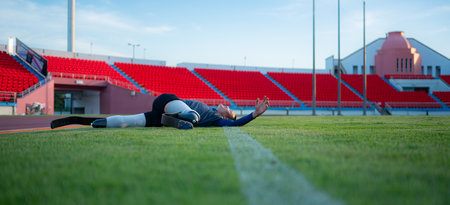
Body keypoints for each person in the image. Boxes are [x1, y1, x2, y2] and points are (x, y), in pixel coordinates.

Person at [51, 93, 270, 129]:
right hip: (167, 104)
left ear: (223, 115)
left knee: (132, 121)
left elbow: (235, 123)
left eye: (228, 109)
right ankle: (176, 120)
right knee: (188, 114)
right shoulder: (211, 112)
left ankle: (97, 123)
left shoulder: (216, 119)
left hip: (162, 110)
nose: (226, 105)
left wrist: (254, 114)